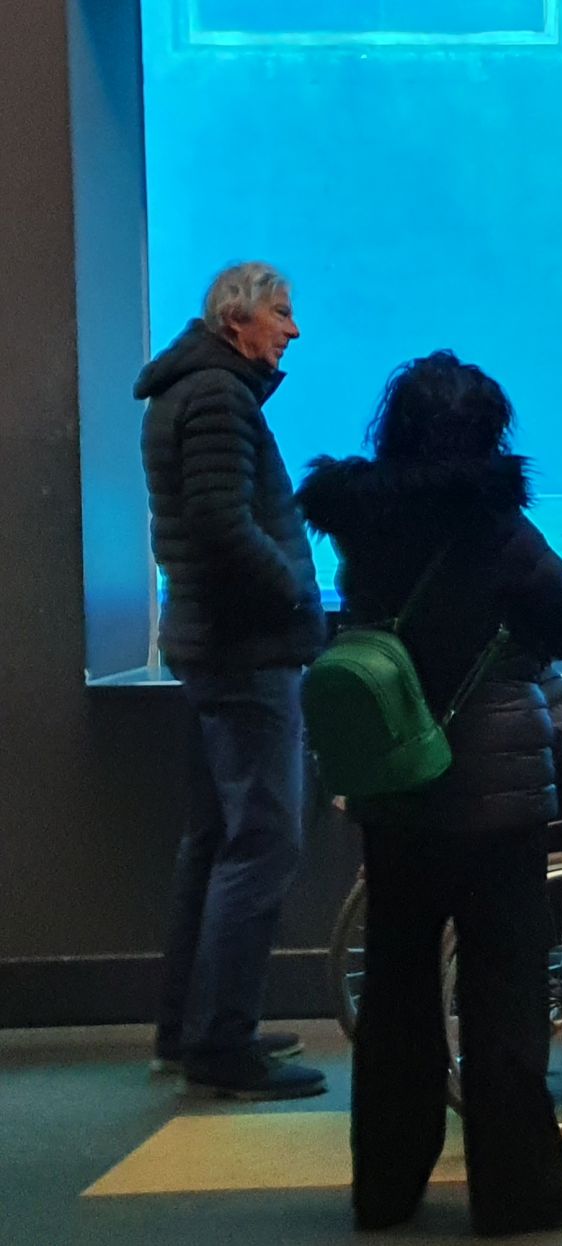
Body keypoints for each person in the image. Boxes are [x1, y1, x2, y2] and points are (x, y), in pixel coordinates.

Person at [299, 351, 562, 1235]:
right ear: (488, 431)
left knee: (398, 996)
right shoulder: (495, 527)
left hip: (396, 790)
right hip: (493, 796)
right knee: (504, 1003)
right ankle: (518, 1192)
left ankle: (386, 1189)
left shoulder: (359, 519)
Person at [136, 262, 327, 1101]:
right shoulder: (219, 396)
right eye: (280, 314)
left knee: (213, 840)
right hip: (246, 652)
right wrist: (291, 589)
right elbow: (220, 520)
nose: (291, 331)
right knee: (266, 842)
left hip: (209, 648)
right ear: (234, 320)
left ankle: (188, 1028)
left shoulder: (194, 389)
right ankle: (223, 1043)